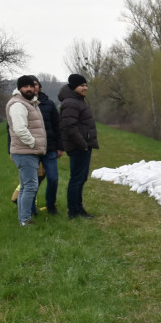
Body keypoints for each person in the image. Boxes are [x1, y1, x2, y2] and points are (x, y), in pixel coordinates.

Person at [6, 75, 46, 226]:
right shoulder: (18, 104)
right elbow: (20, 129)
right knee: (30, 186)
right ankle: (25, 220)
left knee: (25, 186)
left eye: (31, 86)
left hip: (27, 151)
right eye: (25, 86)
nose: (29, 89)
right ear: (19, 88)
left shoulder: (29, 103)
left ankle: (23, 218)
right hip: (25, 152)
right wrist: (33, 143)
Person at [59, 73, 99, 219]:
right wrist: (83, 144)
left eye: (86, 85)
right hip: (79, 147)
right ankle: (74, 212)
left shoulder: (78, 101)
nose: (85, 88)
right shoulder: (71, 102)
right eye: (82, 85)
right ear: (74, 87)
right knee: (76, 179)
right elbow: (69, 126)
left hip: (83, 146)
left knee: (81, 178)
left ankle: (79, 209)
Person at [33, 77, 63, 215]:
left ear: (40, 87)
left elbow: (57, 126)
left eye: (35, 85)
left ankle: (51, 205)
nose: (33, 88)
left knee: (53, 178)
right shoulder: (21, 105)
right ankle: (30, 207)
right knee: (31, 181)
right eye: (30, 85)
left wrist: (59, 147)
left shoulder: (49, 104)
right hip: (30, 150)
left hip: (49, 148)